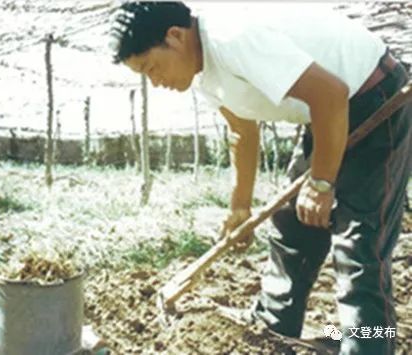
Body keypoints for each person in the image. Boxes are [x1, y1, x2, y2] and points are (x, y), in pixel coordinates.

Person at [110, 2, 412, 355]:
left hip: (373, 99)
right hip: (327, 114)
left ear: (174, 37)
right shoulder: (205, 71)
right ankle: (271, 332)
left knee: (360, 244)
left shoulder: (231, 38)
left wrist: (320, 184)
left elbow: (329, 93)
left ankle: (368, 343)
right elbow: (242, 131)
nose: (155, 82)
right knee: (292, 225)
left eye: (150, 68)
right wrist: (240, 206)